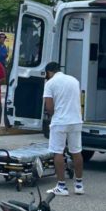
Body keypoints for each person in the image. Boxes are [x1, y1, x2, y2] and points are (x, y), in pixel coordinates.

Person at [42, 62, 84, 196]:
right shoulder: (74, 80)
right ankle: (79, 185)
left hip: (60, 122)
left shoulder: (50, 83)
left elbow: (49, 107)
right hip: (76, 120)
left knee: (58, 152)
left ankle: (61, 186)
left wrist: (53, 115)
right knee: (76, 151)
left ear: (49, 72)